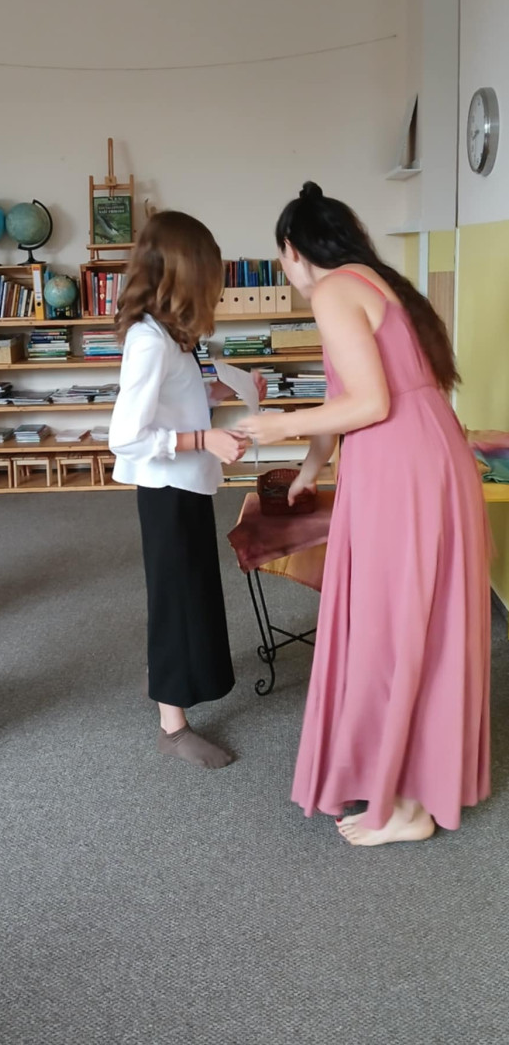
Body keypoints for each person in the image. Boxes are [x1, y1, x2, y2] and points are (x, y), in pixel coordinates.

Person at [240, 182, 490, 845]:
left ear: (292, 250)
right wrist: (311, 466)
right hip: (427, 453)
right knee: (417, 620)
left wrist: (277, 424)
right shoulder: (377, 283)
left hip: (399, 463)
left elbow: (370, 403)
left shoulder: (332, 291)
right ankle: (412, 783)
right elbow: (345, 392)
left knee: (392, 624)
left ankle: (404, 803)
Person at [110, 210, 265, 769]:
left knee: (191, 592)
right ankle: (171, 728)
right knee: (176, 600)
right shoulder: (149, 342)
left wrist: (222, 392)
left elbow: (173, 402)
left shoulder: (172, 336)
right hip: (167, 491)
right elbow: (126, 437)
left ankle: (173, 680)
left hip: (188, 484)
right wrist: (205, 437)